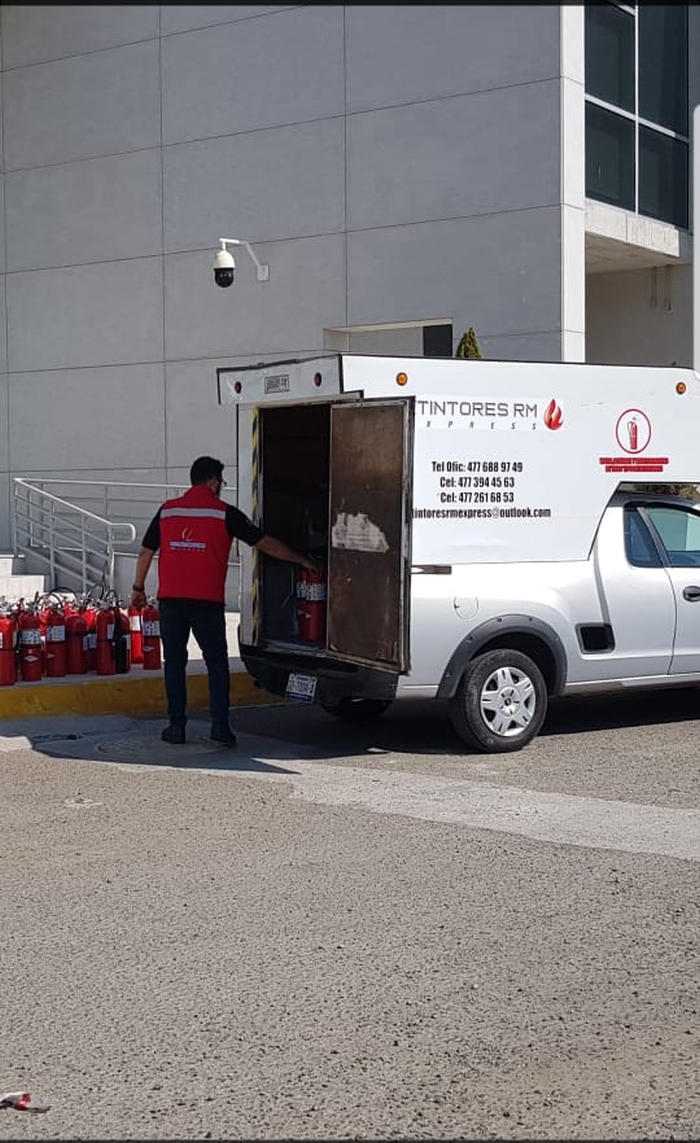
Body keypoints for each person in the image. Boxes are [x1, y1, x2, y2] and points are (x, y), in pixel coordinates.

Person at [130, 455, 316, 748]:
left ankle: (176, 727)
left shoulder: (167, 511)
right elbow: (264, 542)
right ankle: (220, 728)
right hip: (206, 604)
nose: (221, 487)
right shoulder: (223, 513)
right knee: (216, 665)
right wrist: (302, 559)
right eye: (221, 482)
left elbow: (145, 552)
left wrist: (138, 588)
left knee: (175, 664)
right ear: (213, 480)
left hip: (172, 603)